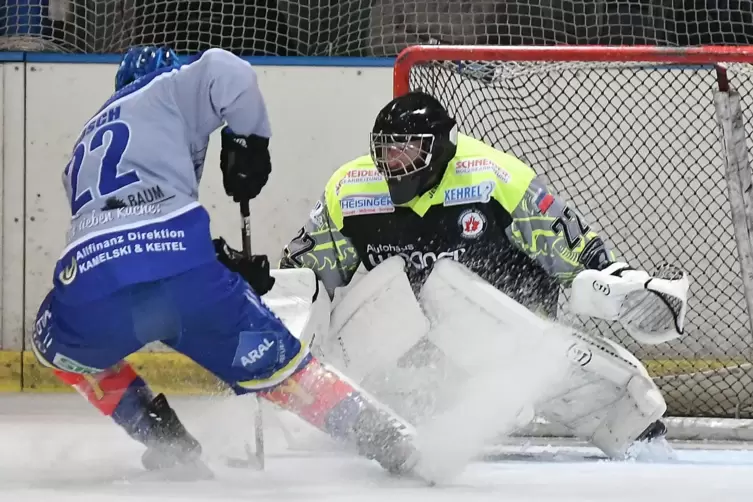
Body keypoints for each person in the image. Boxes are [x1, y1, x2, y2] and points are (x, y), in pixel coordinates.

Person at [31, 46, 417, 476]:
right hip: (183, 276)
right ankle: (389, 438)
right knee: (284, 369)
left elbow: (122, 231)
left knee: (56, 349)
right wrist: (247, 142)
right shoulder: (166, 89)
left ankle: (163, 438)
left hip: (91, 283)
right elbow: (226, 69)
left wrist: (216, 260)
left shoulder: (82, 149)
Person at [278, 91, 689, 460]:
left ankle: (627, 418)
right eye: (385, 151)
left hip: (509, 335)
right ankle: (332, 412)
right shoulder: (349, 190)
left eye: (405, 152)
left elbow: (572, 247)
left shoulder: (496, 178)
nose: (393, 164)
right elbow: (307, 276)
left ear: (440, 150)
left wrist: (615, 282)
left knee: (449, 286)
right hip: (412, 348)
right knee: (383, 283)